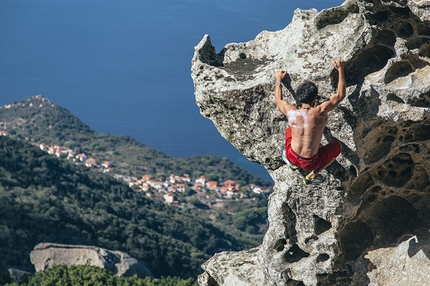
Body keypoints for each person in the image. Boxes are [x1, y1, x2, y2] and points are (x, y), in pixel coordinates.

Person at [274, 60, 346, 185]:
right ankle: (313, 175)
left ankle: (292, 163)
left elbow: (279, 100)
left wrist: (278, 80)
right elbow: (340, 95)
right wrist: (340, 69)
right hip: (310, 162)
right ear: (315, 98)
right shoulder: (320, 111)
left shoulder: (291, 112)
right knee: (337, 146)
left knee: (289, 129)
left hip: (291, 154)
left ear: (298, 97)